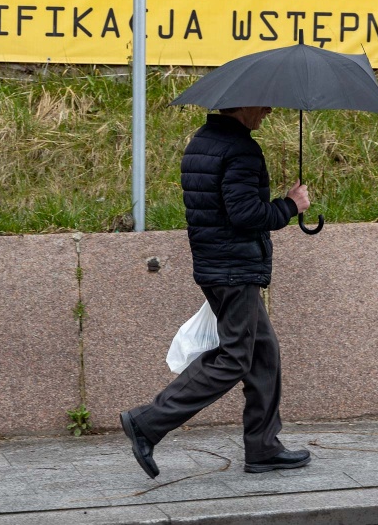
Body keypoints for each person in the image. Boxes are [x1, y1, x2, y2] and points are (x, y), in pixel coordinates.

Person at [120, 106, 312, 477]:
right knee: (235, 357)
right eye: (263, 104)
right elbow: (244, 214)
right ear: (243, 106)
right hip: (233, 269)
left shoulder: (201, 143)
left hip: (215, 265)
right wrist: (290, 205)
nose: (269, 110)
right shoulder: (240, 149)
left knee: (263, 352)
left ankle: (263, 447)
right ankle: (148, 421)